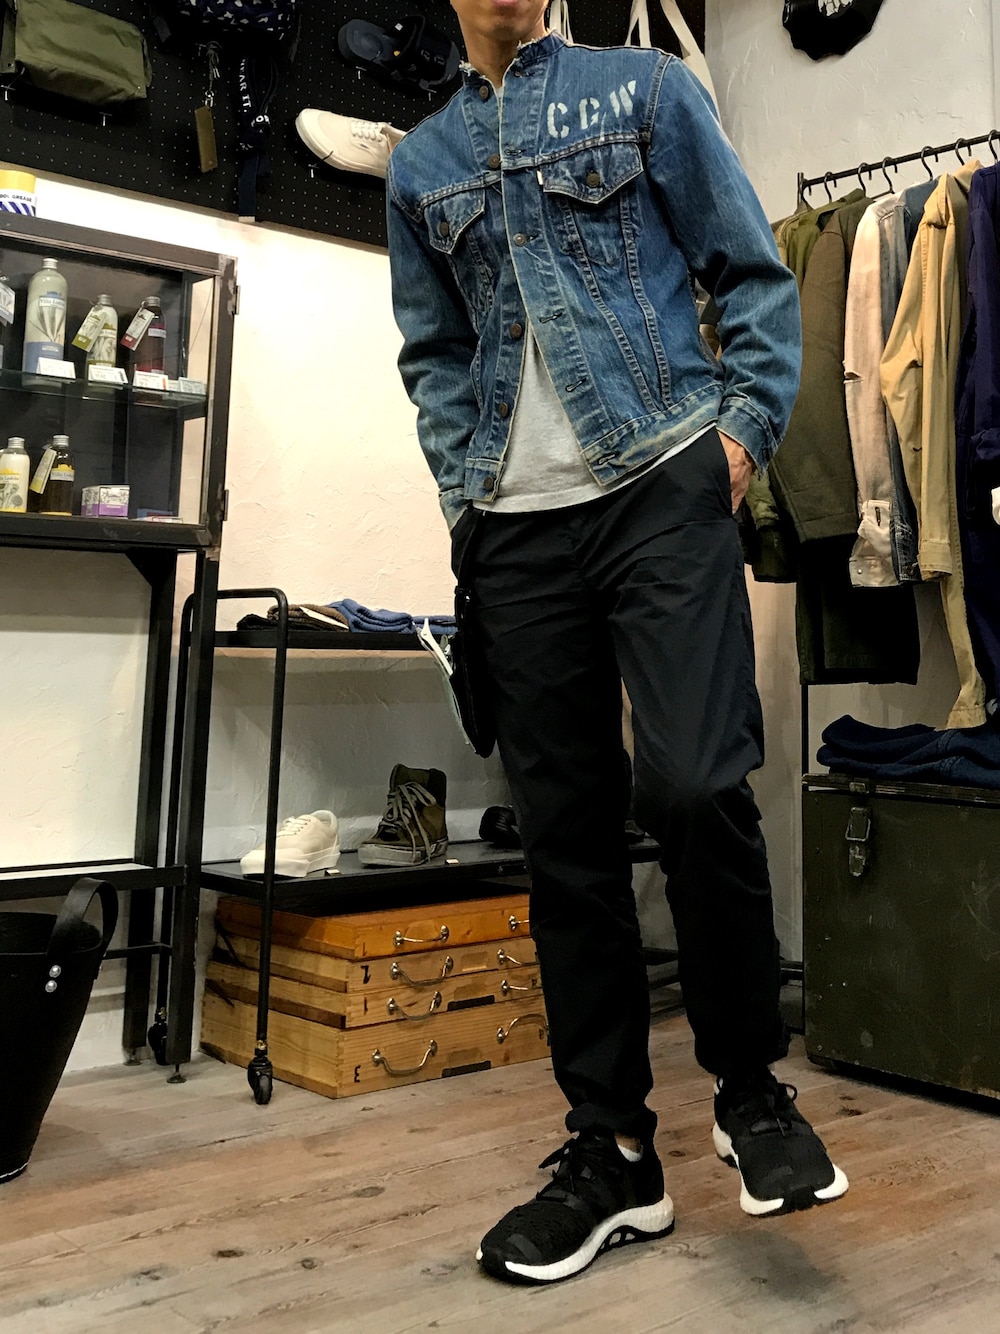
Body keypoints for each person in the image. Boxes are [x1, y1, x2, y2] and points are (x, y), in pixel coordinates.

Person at [386, 0, 848, 1287]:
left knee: (696, 782)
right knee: (565, 838)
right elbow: (433, 351)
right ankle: (612, 1153)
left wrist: (738, 438)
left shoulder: (643, 90)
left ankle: (749, 1088)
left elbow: (750, 273)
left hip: (658, 482)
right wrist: (462, 498)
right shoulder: (421, 163)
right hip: (513, 525)